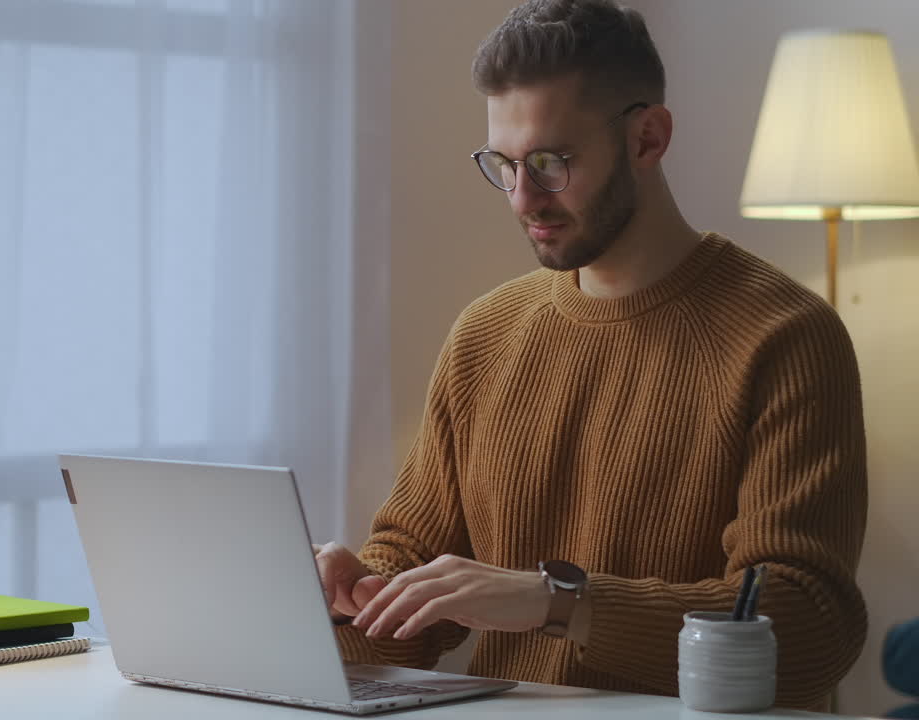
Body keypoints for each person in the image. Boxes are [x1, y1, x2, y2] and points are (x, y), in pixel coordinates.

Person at [313, 0, 867, 711]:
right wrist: (344, 601)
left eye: (550, 161)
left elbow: (810, 625)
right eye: (504, 164)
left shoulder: (786, 336)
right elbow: (409, 617)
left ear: (648, 138)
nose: (522, 198)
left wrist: (558, 601)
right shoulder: (485, 335)